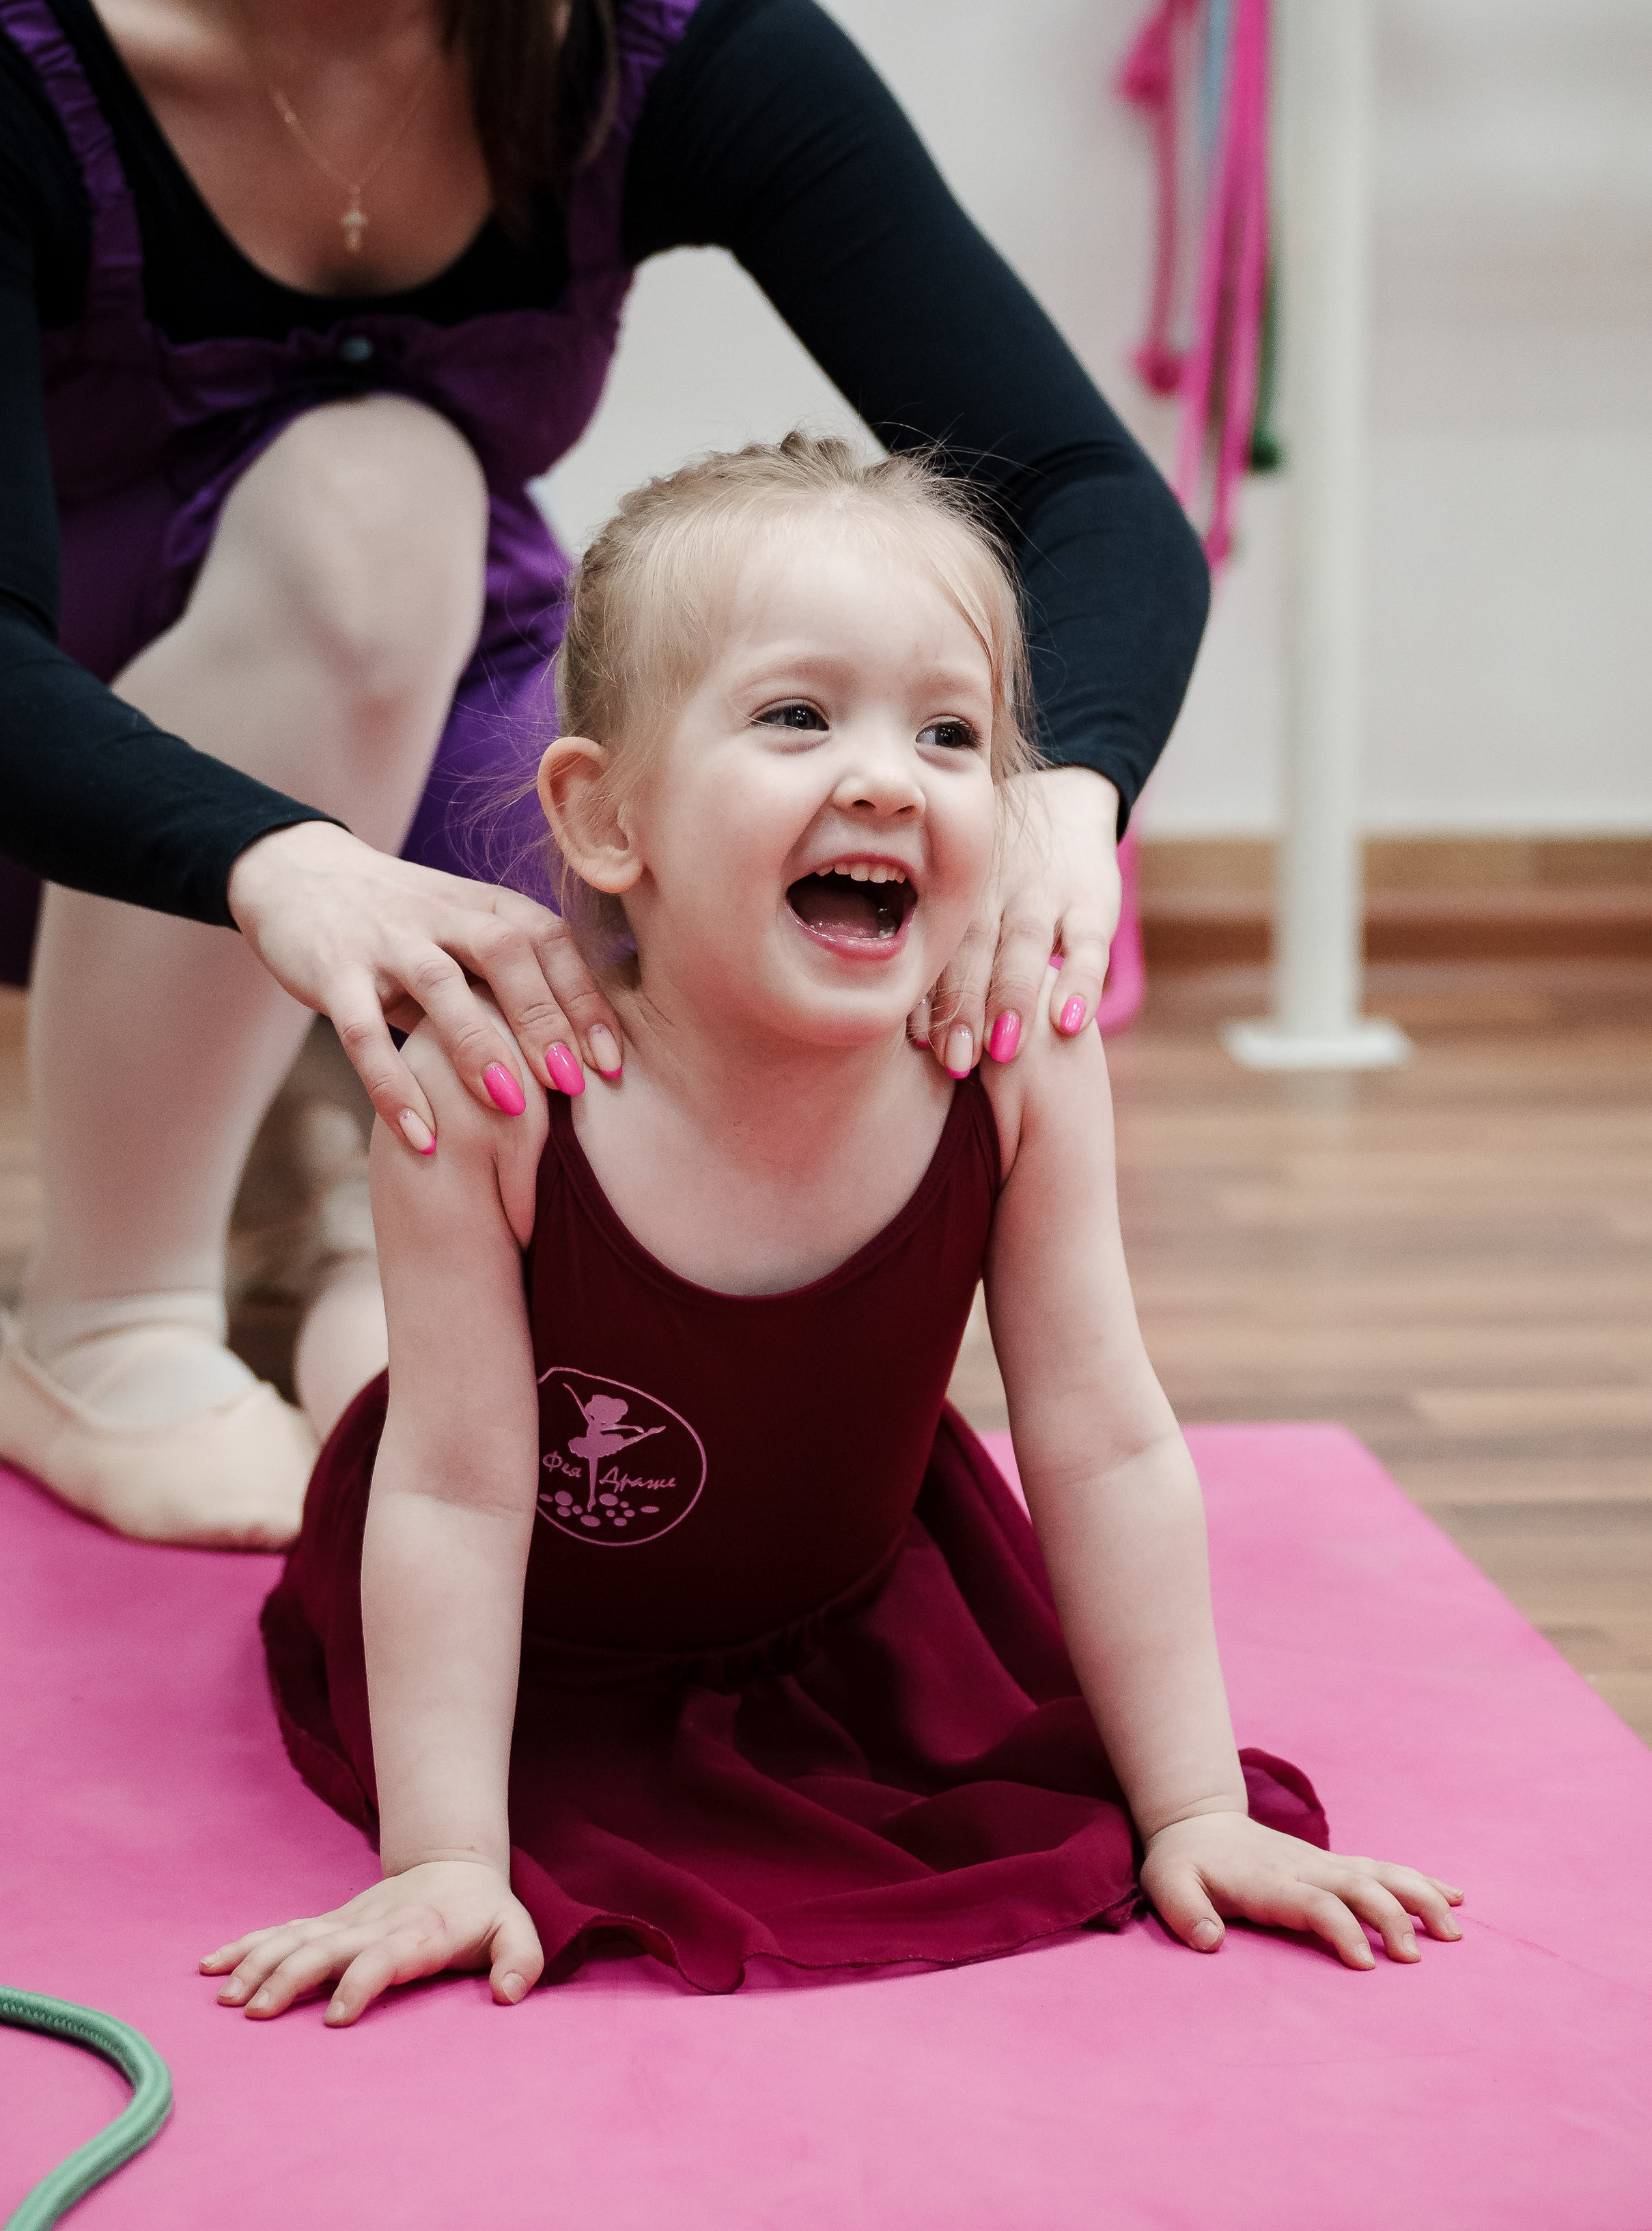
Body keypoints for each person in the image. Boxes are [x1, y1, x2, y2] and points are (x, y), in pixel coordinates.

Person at [0, 0, 1212, 1550]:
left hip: (431, 725)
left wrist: (1063, 793)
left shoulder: (651, 9)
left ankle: (359, 1198)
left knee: (676, 818)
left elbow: (1089, 490)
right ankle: (105, 1316)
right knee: (378, 495)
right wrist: (290, 862)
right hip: (32, 780)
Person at [208, 438, 1464, 2017]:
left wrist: (1198, 1809)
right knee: (365, 1370)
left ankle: (333, 1248)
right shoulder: (498, 1104)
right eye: (796, 716)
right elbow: (456, 1496)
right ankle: (330, 1252)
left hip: (850, 1599)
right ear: (607, 820)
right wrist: (447, 1858)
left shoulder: (1008, 1068)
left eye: (948, 731)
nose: (883, 774)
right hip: (541, 1621)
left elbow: (1099, 1437)